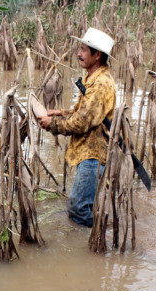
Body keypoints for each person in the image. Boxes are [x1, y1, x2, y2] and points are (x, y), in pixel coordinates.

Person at [38, 28, 116, 227]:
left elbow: (82, 122)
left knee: (77, 208)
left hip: (93, 154)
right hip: (87, 151)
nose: (78, 54)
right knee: (84, 205)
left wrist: (53, 124)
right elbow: (82, 112)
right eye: (79, 49)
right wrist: (60, 113)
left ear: (97, 55)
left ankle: (93, 244)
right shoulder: (93, 78)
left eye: (83, 50)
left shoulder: (100, 85)